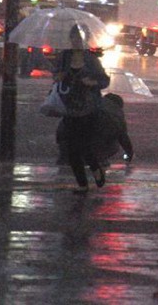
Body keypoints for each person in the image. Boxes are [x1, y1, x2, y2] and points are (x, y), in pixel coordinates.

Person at [54, 24, 111, 193]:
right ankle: (82, 185)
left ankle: (96, 168)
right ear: (70, 39)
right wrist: (59, 76)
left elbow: (104, 80)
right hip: (69, 107)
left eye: (80, 38)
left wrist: (92, 82)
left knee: (85, 146)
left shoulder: (91, 59)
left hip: (88, 108)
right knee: (72, 149)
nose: (77, 41)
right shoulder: (65, 57)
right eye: (75, 37)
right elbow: (56, 74)